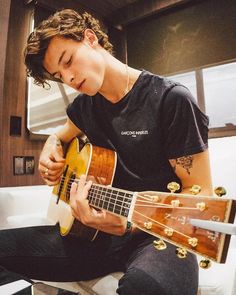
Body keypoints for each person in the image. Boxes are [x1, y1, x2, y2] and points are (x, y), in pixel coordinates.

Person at [0, 9, 213, 295]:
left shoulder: (170, 99)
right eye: (59, 76)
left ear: (90, 39)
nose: (70, 78)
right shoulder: (84, 106)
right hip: (94, 236)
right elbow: (63, 134)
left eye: (68, 61)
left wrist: (129, 225)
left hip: (159, 236)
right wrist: (52, 142)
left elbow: (203, 196)